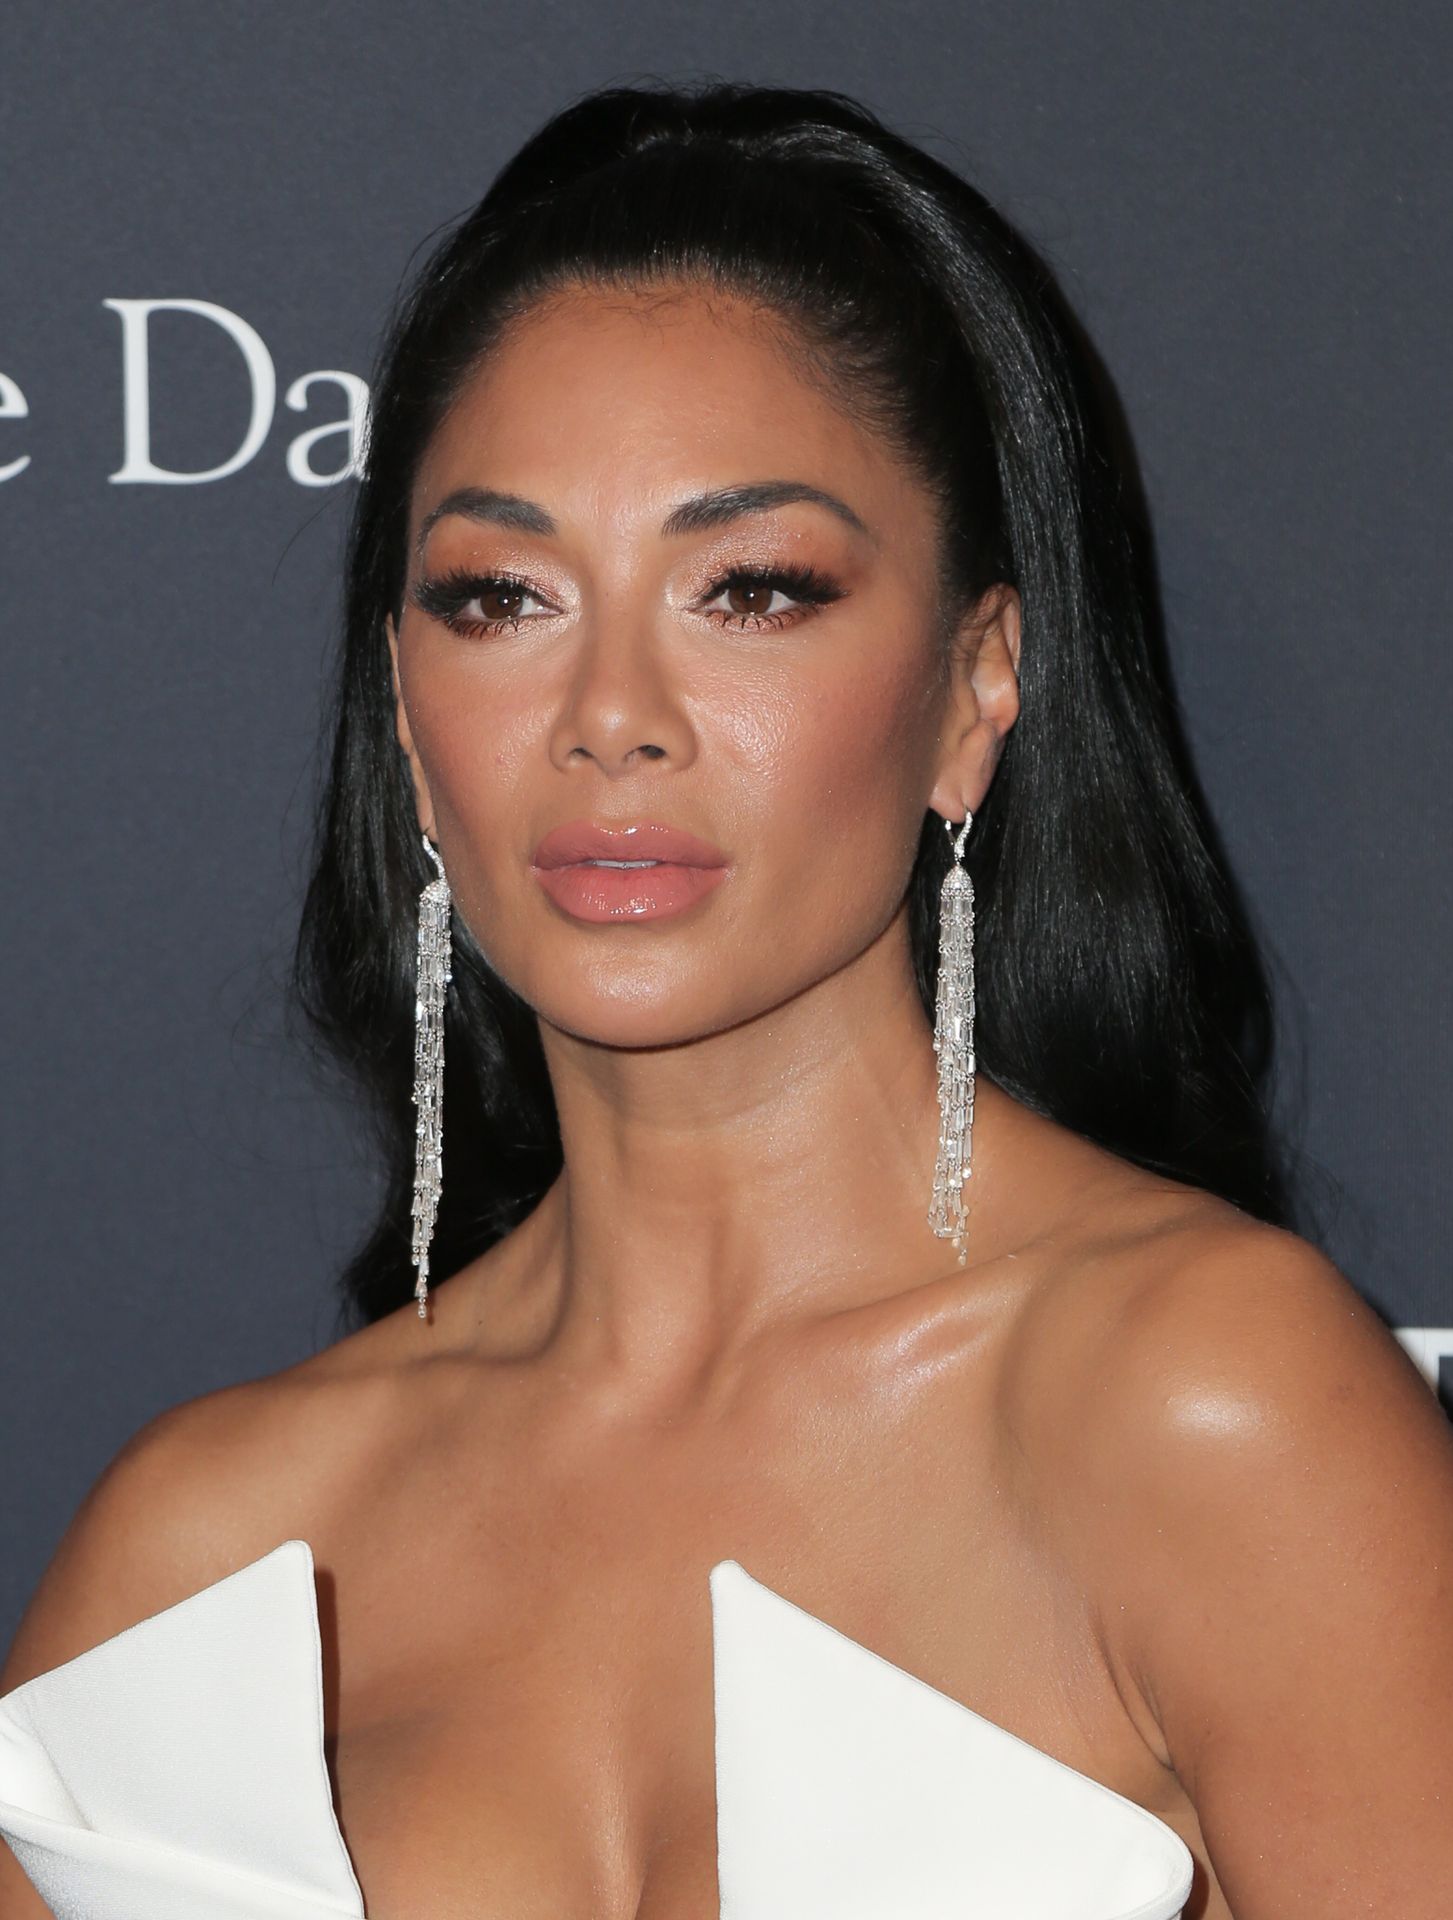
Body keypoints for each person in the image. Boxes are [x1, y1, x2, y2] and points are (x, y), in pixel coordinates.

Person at [2, 80, 1451, 1920]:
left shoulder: (1203, 1409)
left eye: (750, 590)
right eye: (501, 596)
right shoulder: (210, 1546)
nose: (611, 714)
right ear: (407, 714)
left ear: (975, 685)